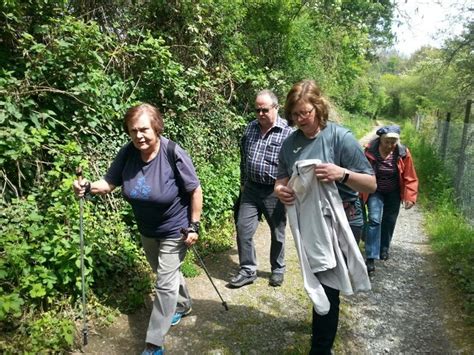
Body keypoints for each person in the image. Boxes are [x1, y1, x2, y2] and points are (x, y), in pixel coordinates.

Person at [73, 103, 203, 355]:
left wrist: (193, 225)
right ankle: (183, 304)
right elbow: (109, 183)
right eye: (133, 131)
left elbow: (194, 189)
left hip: (175, 229)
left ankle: (154, 342)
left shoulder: (173, 152)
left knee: (164, 284)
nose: (138, 136)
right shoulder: (128, 153)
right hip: (147, 229)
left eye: (144, 129)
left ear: (156, 127)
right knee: (165, 272)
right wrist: (88, 187)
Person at [274, 79, 376, 354]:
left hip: (345, 221)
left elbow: (370, 184)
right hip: (312, 224)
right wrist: (280, 189)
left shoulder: (340, 138)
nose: (299, 119)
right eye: (294, 114)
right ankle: (323, 335)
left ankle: (320, 349)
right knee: (323, 281)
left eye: (305, 113)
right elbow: (282, 175)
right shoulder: (290, 143)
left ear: (318, 108)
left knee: (329, 286)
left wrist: (341, 174)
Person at [229, 89, 293, 288]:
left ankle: (278, 269)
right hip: (251, 189)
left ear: (276, 108)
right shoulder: (250, 128)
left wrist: (289, 189)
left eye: (264, 110)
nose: (260, 114)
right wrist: (242, 182)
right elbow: (243, 158)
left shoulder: (289, 132)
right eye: (257, 110)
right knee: (243, 229)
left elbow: (295, 165)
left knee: (278, 232)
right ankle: (247, 270)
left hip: (275, 190)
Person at [363, 125, 418, 273]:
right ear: (380, 140)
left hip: (393, 192)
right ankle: (370, 257)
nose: (390, 145)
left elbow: (410, 176)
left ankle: (384, 248)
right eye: (387, 141)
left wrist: (410, 196)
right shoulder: (369, 151)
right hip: (375, 190)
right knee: (374, 220)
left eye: (393, 142)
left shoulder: (403, 153)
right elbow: (361, 171)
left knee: (389, 221)